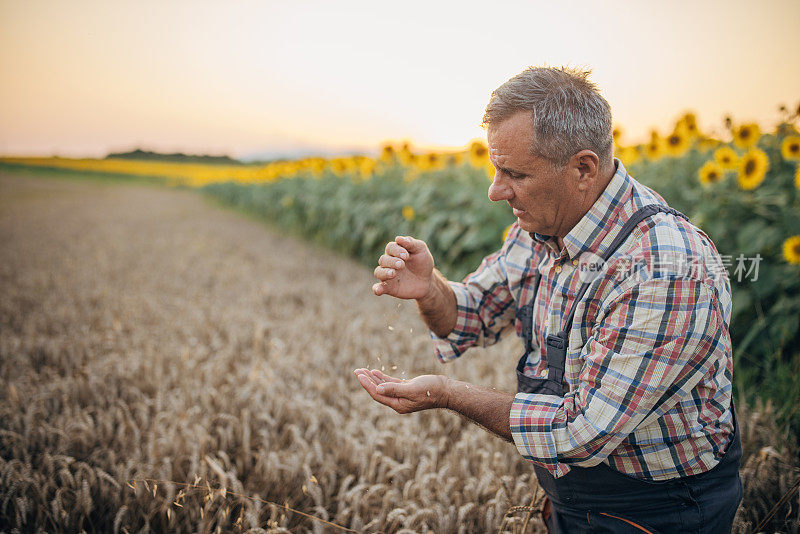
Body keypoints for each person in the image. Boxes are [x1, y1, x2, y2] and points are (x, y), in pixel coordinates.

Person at [354, 66, 742, 533]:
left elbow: (579, 434)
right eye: (496, 169)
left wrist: (446, 392)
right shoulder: (541, 224)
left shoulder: (667, 266)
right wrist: (430, 287)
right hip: (574, 498)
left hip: (658, 510)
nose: (496, 191)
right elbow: (472, 314)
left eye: (515, 173)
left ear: (583, 168)